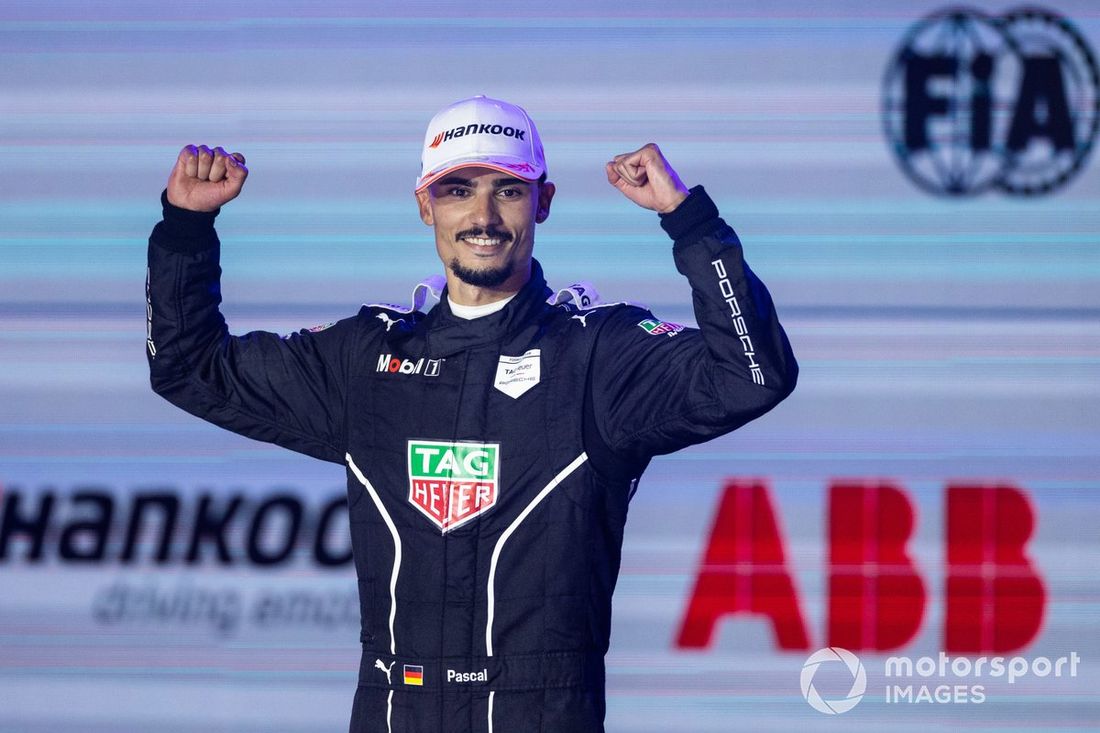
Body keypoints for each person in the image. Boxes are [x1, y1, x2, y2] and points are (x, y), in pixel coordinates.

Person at [146, 95, 797, 733]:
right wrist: (185, 228)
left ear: (543, 201)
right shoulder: (365, 359)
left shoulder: (599, 355)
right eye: (458, 190)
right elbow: (187, 367)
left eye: (507, 191)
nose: (483, 215)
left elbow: (753, 375)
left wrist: (688, 220)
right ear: (424, 204)